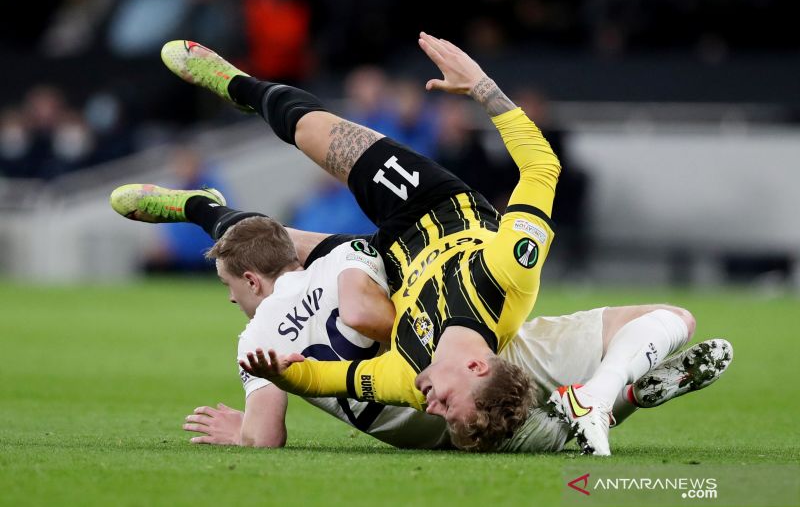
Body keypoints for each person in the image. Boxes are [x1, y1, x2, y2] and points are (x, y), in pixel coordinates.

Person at [153, 33, 560, 451]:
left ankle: (201, 209)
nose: (430, 408)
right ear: (476, 366)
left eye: (440, 414)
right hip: (435, 209)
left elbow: (323, 378)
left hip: (388, 265)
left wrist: (280, 371)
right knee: (313, 130)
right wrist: (480, 85)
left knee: (261, 244)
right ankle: (242, 85)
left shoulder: (408, 378)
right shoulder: (510, 270)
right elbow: (542, 167)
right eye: (447, 403)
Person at [111, 183, 733, 455]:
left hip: (439, 410)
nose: (230, 301)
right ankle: (615, 387)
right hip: (476, 360)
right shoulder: (345, 261)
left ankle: (617, 397)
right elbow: (295, 252)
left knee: (552, 437)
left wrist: (240, 432)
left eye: (230, 286)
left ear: (251, 281)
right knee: (665, 317)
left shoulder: (255, 338)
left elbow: (266, 436)